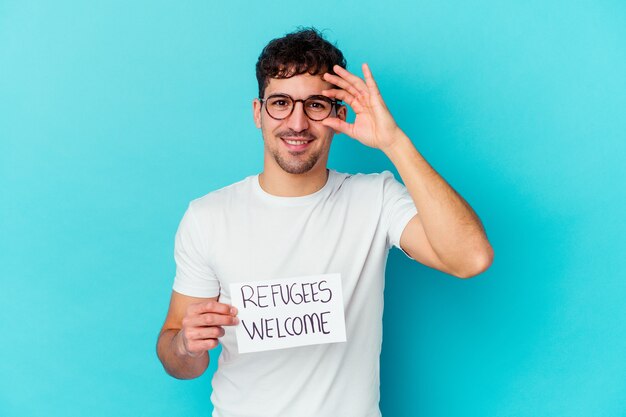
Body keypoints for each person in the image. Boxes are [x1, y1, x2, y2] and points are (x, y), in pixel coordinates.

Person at [157, 28, 494, 417]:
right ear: (258, 113)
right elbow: (179, 361)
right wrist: (185, 344)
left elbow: (471, 258)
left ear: (339, 115)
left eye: (315, 105)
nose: (297, 123)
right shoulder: (208, 217)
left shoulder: (376, 199)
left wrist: (393, 143)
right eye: (281, 102)